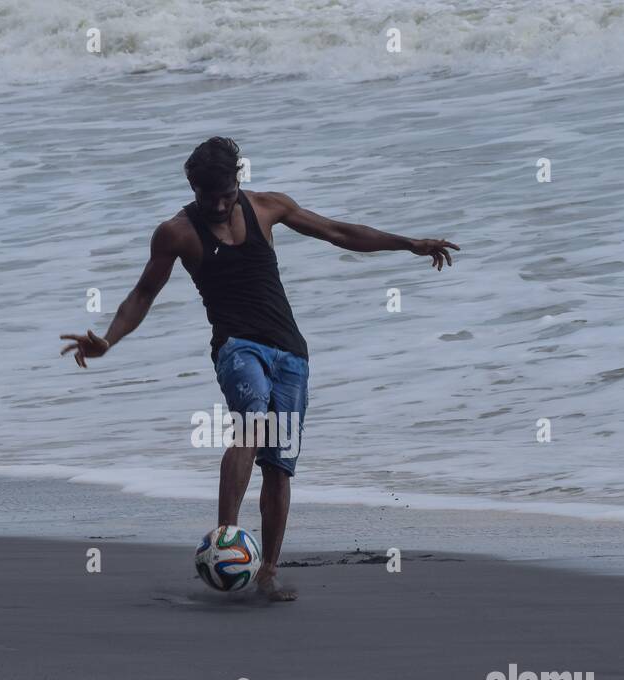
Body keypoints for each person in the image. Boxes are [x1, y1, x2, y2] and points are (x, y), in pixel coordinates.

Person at [61, 137, 457, 600]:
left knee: (279, 464)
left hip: (291, 352)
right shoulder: (177, 233)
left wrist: (408, 244)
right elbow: (143, 294)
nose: (219, 204)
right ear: (192, 187)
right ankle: (225, 541)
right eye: (208, 196)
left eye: (226, 193)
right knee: (251, 424)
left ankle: (267, 570)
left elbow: (337, 232)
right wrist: (108, 338)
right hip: (236, 346)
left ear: (238, 180)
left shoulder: (267, 207)